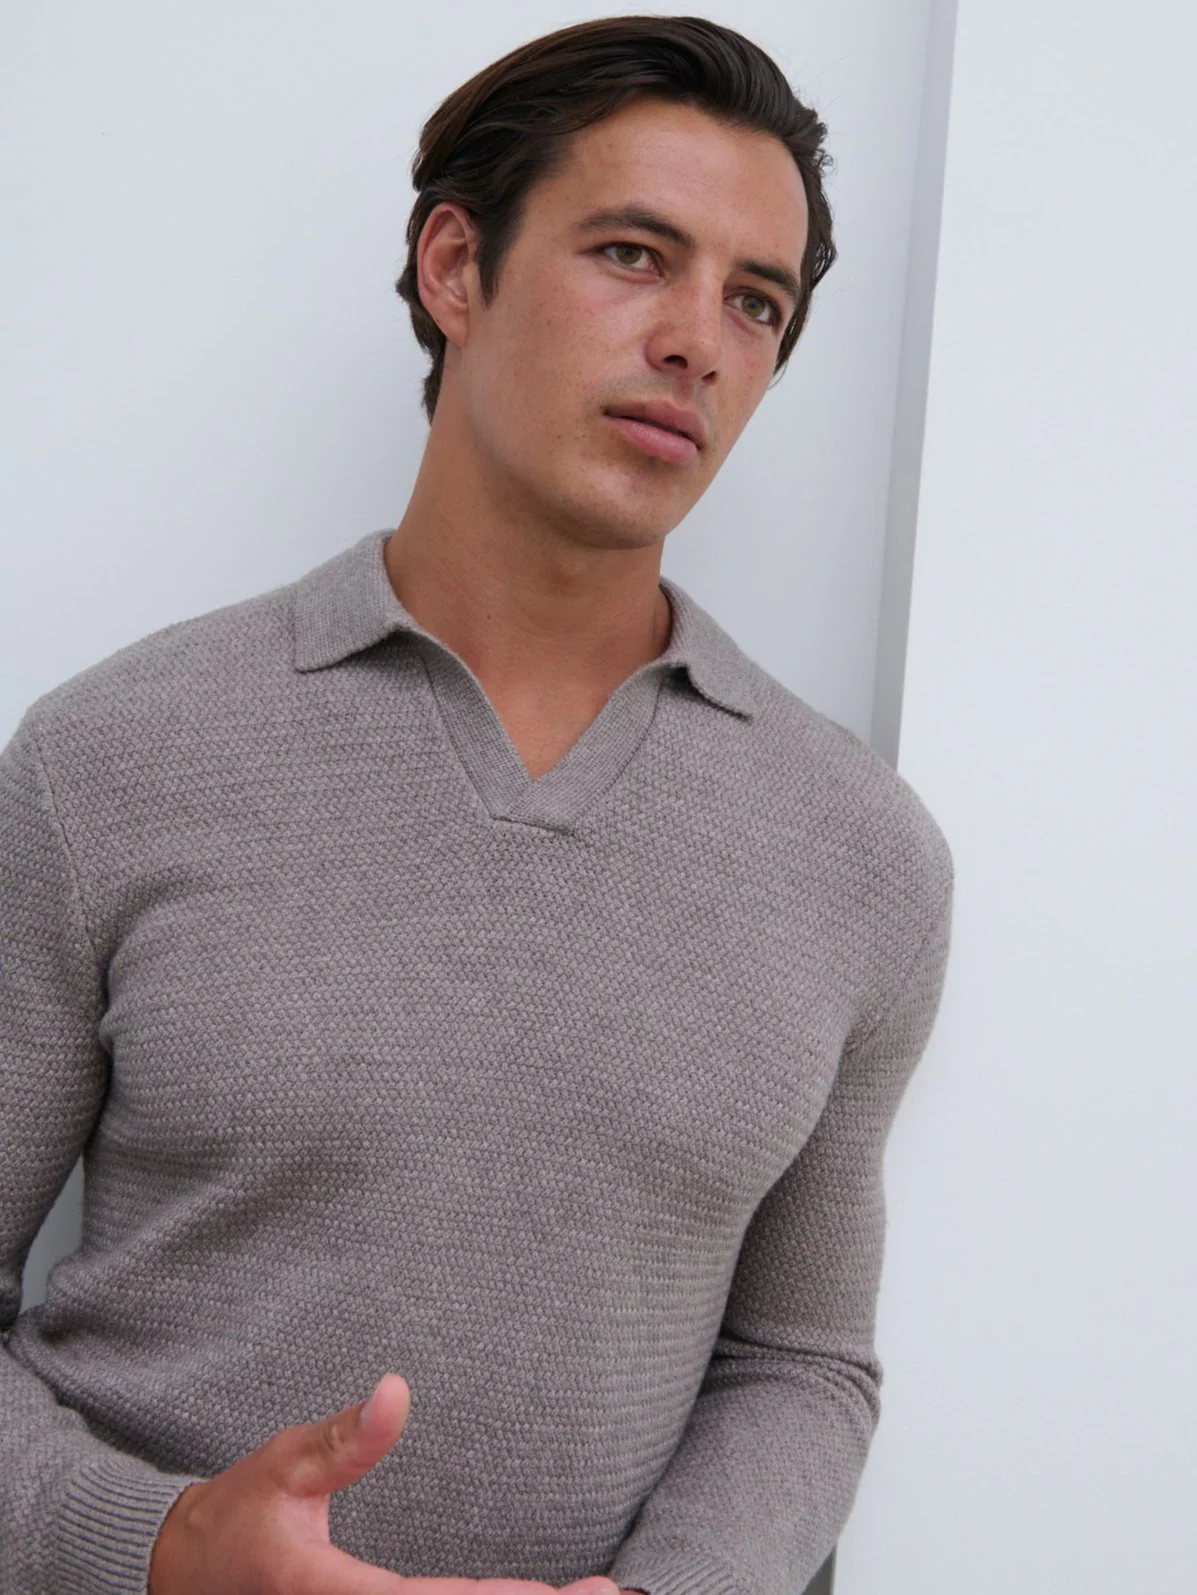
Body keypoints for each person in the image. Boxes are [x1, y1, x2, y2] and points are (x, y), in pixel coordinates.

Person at [0, 14, 954, 1595]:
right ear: (456, 266)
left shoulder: (863, 856)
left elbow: (800, 1359)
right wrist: (159, 1547)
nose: (698, 342)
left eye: (757, 300)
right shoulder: (113, 758)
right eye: (635, 254)